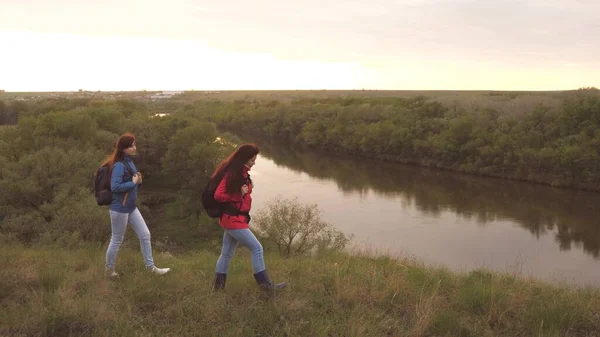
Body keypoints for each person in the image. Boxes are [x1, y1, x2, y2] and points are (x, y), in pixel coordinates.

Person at [211, 143, 287, 290]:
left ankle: (218, 289)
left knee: (226, 254)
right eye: (252, 160)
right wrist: (238, 194)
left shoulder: (242, 173)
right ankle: (266, 288)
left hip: (233, 219)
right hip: (234, 220)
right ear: (244, 159)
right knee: (257, 248)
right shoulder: (232, 174)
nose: (254, 162)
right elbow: (218, 195)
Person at [102, 133, 170, 277]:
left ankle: (150, 268)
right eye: (131, 146)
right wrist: (132, 183)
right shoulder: (119, 165)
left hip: (131, 207)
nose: (134, 148)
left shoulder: (130, 162)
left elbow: (131, 185)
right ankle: (109, 271)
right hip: (120, 209)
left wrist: (138, 182)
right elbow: (115, 187)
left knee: (145, 235)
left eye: (134, 145)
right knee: (117, 239)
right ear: (124, 149)